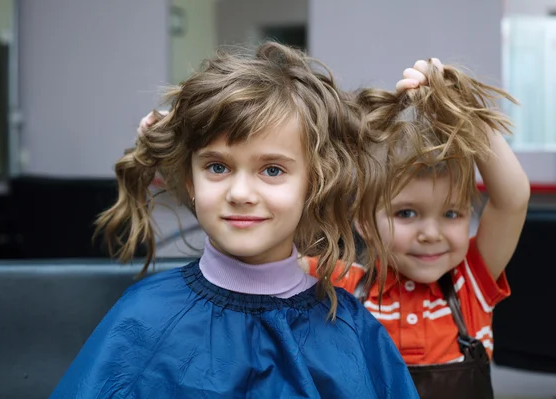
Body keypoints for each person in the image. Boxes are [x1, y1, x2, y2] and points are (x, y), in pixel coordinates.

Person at [50, 42, 419, 398]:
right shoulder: (144, 318)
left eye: (272, 170)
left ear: (314, 184)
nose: (240, 193)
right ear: (191, 181)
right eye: (217, 167)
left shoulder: (351, 329)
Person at [304, 59, 530, 398]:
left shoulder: (472, 284)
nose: (431, 233)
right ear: (365, 221)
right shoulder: (340, 286)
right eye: (407, 213)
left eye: (451, 214)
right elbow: (269, 263)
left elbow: (512, 200)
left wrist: (462, 111)